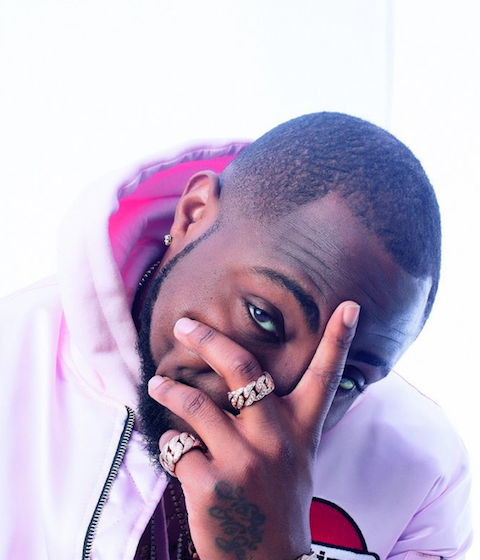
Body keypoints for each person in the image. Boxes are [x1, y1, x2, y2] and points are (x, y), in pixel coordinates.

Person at [0, 113, 472, 560]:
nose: (270, 394)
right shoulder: (12, 358)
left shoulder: (422, 477)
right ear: (192, 215)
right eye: (263, 318)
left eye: (345, 379)